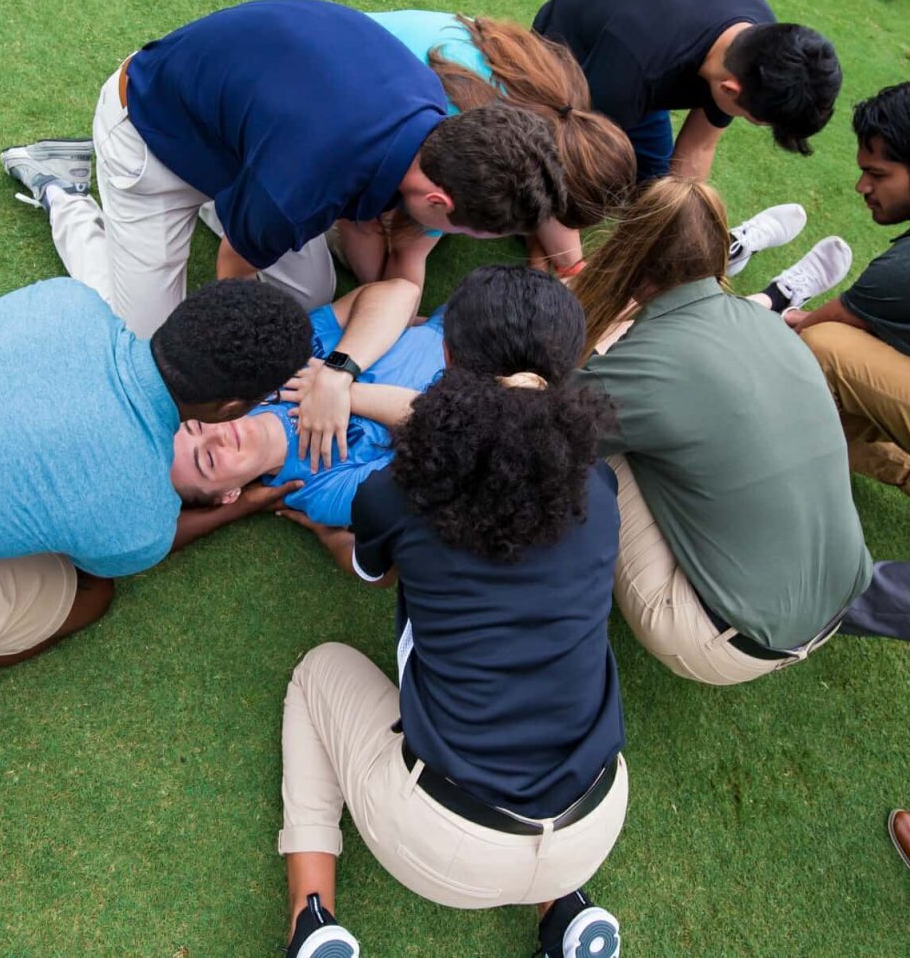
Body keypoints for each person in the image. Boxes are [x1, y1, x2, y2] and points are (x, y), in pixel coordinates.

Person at [272, 266, 627, 958]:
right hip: (594, 821)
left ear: (447, 357)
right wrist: (348, 388)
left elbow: (368, 572)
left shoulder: (395, 491)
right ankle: (565, 912)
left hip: (444, 838)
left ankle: (311, 920)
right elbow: (491, 425)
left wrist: (321, 529)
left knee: (319, 671)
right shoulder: (601, 486)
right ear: (563, 363)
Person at [0, 278, 310, 683]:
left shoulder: (67, 299)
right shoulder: (137, 516)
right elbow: (112, 560)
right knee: (87, 598)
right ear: (231, 409)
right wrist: (240, 506)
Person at [0, 0, 566, 338]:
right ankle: (64, 190)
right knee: (148, 337)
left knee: (311, 293)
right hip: (149, 133)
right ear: (438, 202)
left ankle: (219, 204)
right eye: (461, 231)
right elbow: (232, 279)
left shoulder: (427, 108)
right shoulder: (311, 180)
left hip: (236, 139)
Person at [572, 177, 871, 685]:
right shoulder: (770, 327)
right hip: (831, 606)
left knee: (587, 442)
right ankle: (778, 291)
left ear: (627, 252)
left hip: (721, 642)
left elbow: (534, 427)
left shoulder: (648, 369)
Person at [351, 10, 636, 281]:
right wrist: (389, 301)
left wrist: (572, 267)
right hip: (347, 93)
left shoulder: (562, 104)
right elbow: (407, 249)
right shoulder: (468, 136)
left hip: (361, 37)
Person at [533, 0, 842, 184]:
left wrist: (679, 230)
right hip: (561, 64)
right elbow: (568, 155)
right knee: (571, 184)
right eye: (753, 120)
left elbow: (699, 147)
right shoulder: (633, 69)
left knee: (657, 191)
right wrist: (566, 262)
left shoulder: (758, 47)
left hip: (640, 78)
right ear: (729, 89)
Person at [168, 278, 446, 532]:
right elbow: (448, 436)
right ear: (230, 495)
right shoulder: (322, 493)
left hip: (464, 323)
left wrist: (334, 377)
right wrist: (345, 395)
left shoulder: (268, 369)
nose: (218, 435)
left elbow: (401, 293)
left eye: (198, 426)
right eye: (209, 459)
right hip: (486, 389)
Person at [785, 79, 910, 512]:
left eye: (878, 174)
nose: (861, 187)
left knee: (825, 350)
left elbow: (815, 330)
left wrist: (793, 322)